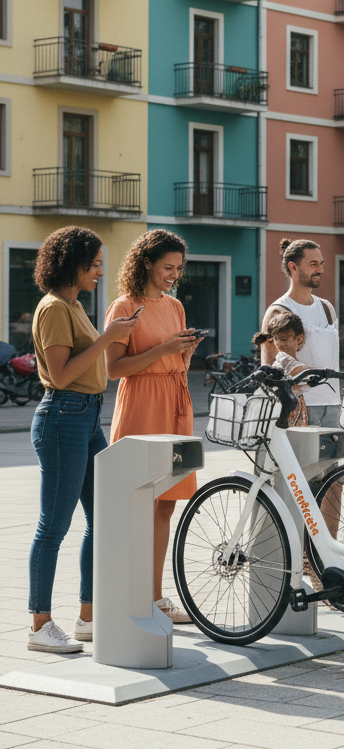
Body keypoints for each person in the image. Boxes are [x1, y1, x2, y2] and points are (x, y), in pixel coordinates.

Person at [27, 227, 139, 652]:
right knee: (53, 526)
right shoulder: (55, 308)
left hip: (87, 418)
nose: (99, 272)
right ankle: (40, 625)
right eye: (93, 265)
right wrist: (108, 338)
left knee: (103, 516)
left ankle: (88, 617)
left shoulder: (74, 305)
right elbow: (60, 375)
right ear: (72, 264)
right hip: (63, 418)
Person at [105, 230, 199, 625]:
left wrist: (185, 353)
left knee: (167, 503)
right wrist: (164, 350)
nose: (174, 274)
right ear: (146, 263)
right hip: (142, 404)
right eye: (168, 267)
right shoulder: (124, 306)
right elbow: (114, 370)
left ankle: (156, 596)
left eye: (178, 268)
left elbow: (175, 363)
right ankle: (130, 595)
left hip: (175, 401)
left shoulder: (175, 306)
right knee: (138, 503)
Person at [262, 239, 341, 427]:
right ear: (293, 267)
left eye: (321, 264)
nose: (320, 270)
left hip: (332, 403)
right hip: (299, 406)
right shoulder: (279, 311)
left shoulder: (327, 308)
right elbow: (268, 369)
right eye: (313, 264)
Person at [252, 312, 310, 427]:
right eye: (276, 339)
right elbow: (300, 371)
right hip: (288, 408)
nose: (279, 344)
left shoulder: (284, 360)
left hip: (287, 406)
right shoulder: (283, 358)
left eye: (283, 340)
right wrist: (316, 373)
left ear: (298, 339)